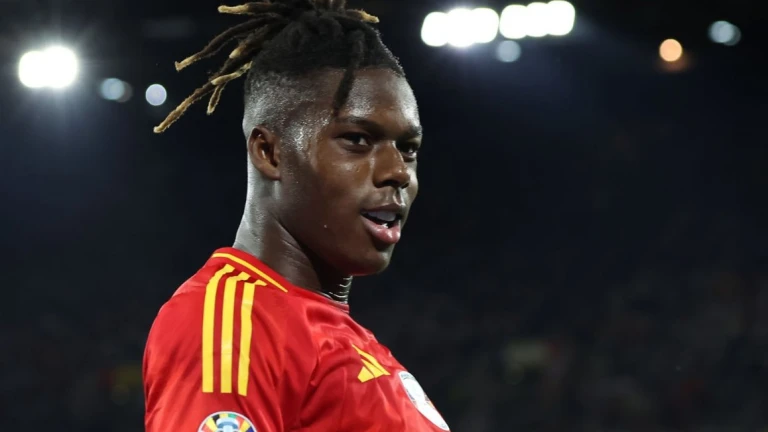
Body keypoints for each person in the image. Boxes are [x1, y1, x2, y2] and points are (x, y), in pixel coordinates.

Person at [143, 1, 450, 431]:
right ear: (269, 152)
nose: (398, 172)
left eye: (408, 149)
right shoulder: (235, 326)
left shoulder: (340, 338)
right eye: (358, 140)